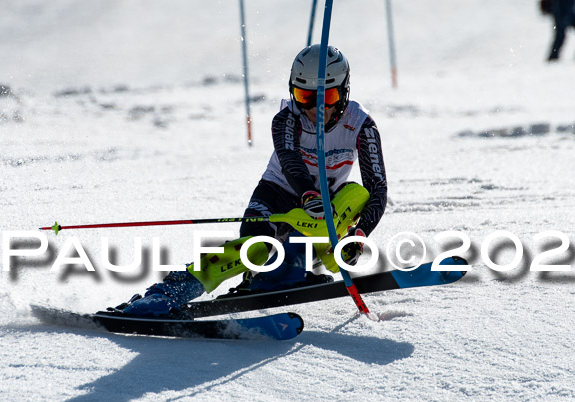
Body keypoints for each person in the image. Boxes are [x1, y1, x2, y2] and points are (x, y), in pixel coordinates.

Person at [120, 44, 388, 316]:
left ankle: (289, 268)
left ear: (343, 91)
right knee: (255, 248)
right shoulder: (287, 118)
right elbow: (290, 159)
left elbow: (378, 187)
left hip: (327, 211)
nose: (315, 108)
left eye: (327, 96)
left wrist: (360, 231)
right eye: (304, 95)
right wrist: (308, 194)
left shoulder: (362, 125)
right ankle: (168, 293)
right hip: (279, 193)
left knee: (356, 194)